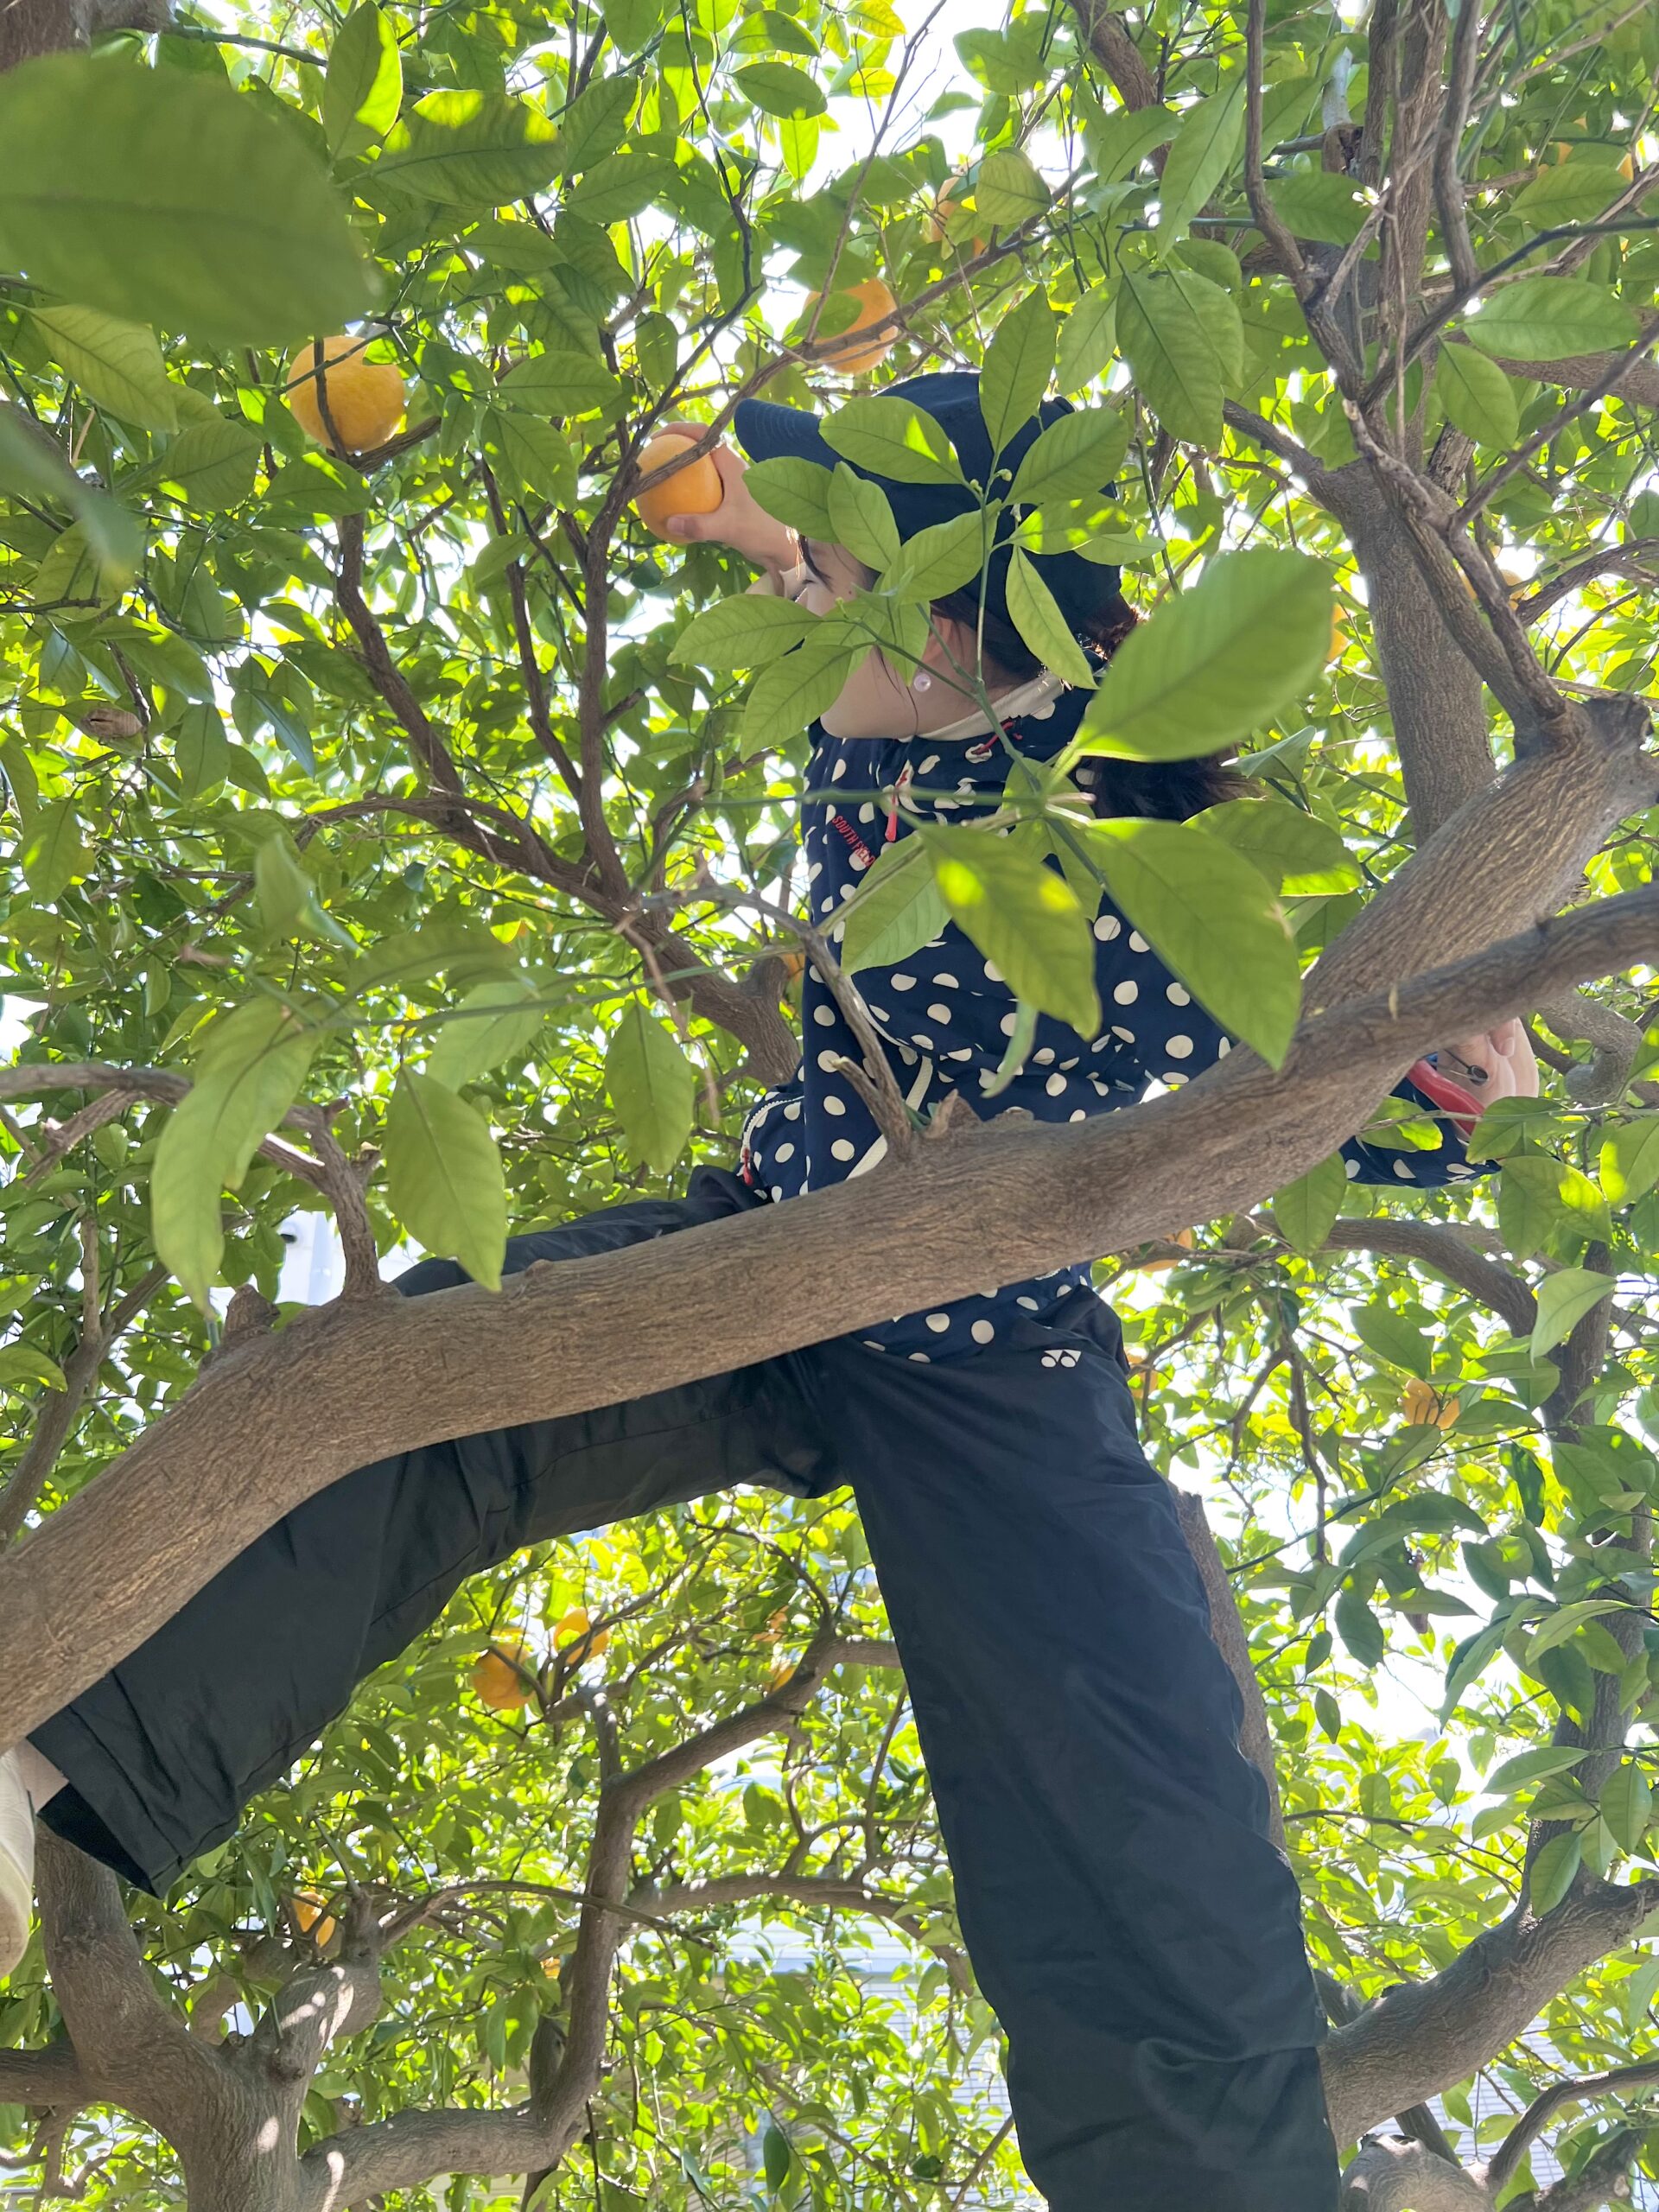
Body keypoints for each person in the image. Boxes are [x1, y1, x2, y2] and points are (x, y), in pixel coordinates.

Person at [0, 372, 1535, 2211]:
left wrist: (1465, 1040)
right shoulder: (876, 711)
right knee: (420, 1394)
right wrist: (736, 506)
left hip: (988, 1347)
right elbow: (749, 501)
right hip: (771, 1251)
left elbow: (1363, 1056)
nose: (794, 591)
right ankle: (35, 1761)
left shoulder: (1130, 849)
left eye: (842, 567)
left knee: (1120, 1773)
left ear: (984, 624)